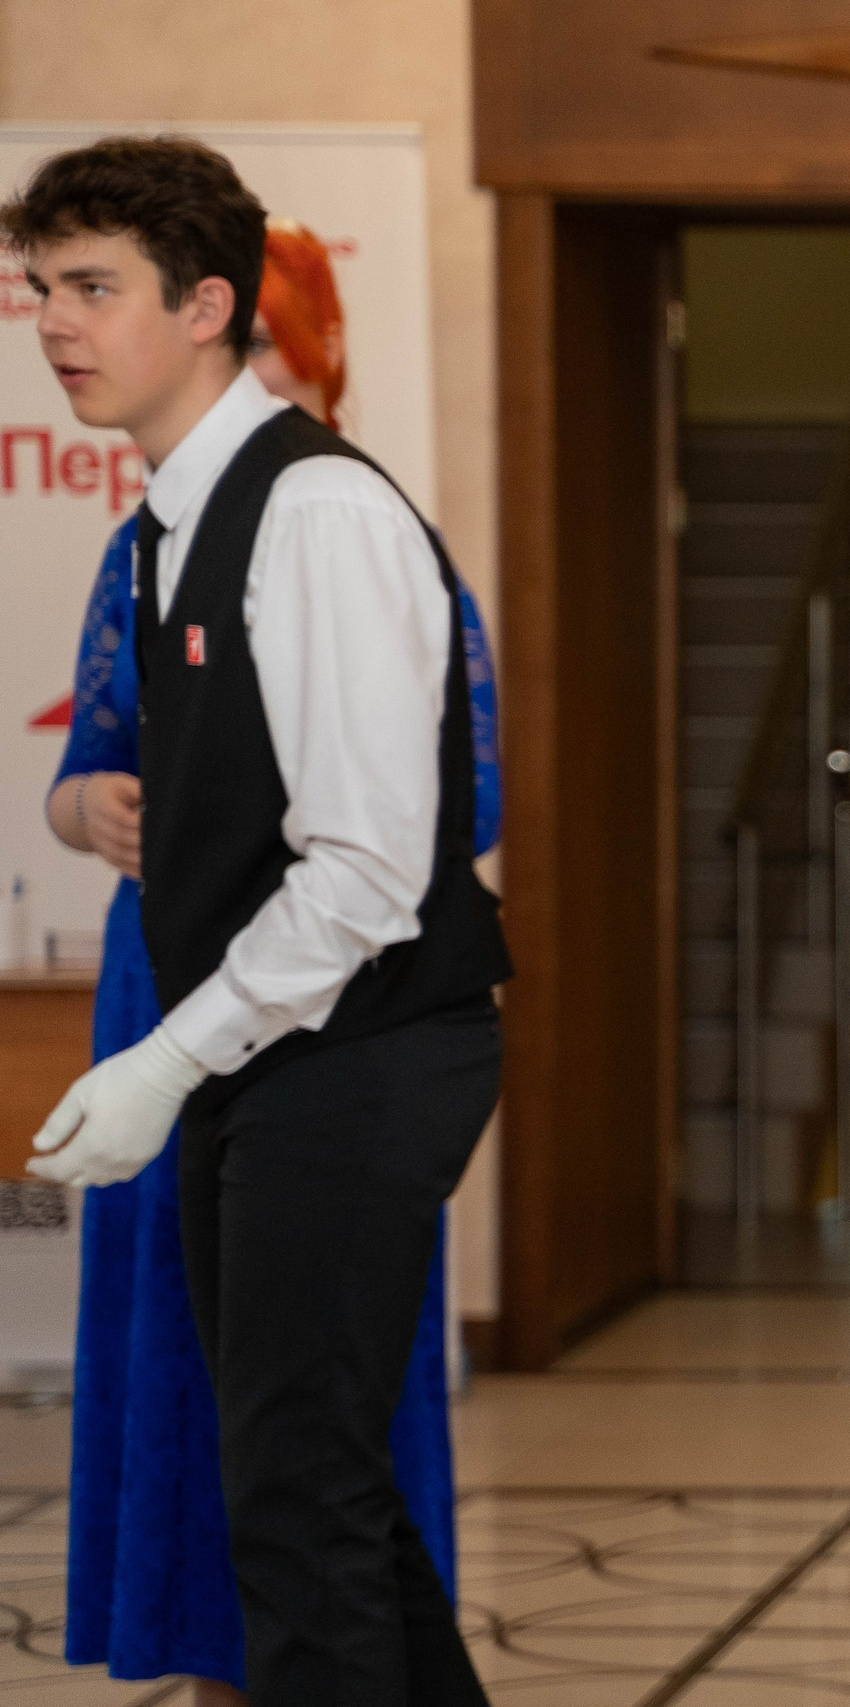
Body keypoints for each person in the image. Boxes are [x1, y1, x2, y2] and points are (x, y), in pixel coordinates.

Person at [11, 137, 510, 1705]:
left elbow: (368, 869)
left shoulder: (317, 514)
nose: (55, 325)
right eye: (40, 290)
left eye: (94, 288)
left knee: (296, 1501)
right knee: (313, 1490)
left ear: (211, 303)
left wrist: (168, 1056)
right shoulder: (169, 525)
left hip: (363, 1053)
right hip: (275, 1052)